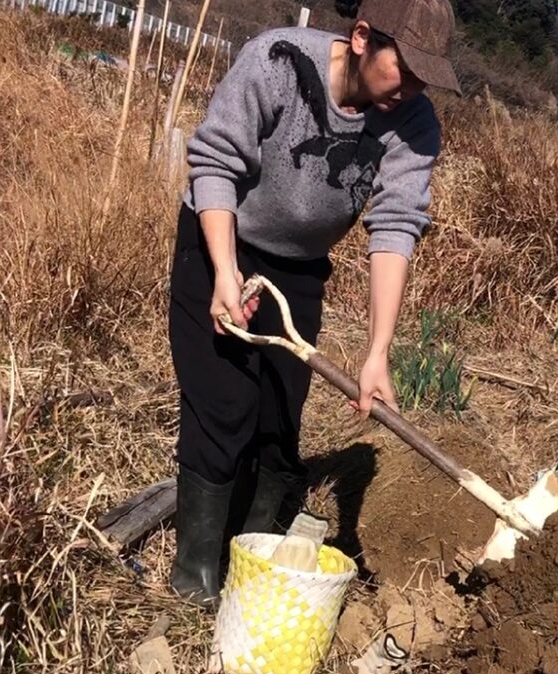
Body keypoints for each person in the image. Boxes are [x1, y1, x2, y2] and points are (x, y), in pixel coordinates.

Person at [169, 0, 461, 607]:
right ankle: (197, 572)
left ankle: (255, 561)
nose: (409, 89)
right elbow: (215, 162)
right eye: (402, 69)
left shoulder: (413, 123)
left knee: (278, 415)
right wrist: (225, 272)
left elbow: (396, 226)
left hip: (299, 267)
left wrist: (377, 353)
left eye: (424, 79)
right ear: (361, 38)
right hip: (222, 238)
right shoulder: (277, 63)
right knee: (223, 403)